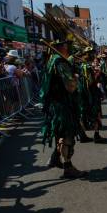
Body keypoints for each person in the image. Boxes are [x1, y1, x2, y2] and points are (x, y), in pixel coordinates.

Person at [40, 40, 87, 179]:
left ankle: (55, 157)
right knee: (67, 135)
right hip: (62, 106)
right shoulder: (60, 62)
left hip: (56, 105)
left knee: (60, 133)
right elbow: (70, 87)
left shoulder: (52, 60)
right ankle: (68, 167)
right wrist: (76, 77)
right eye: (68, 45)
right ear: (64, 47)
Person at [77, 48, 106, 144]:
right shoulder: (87, 67)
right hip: (90, 94)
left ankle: (82, 135)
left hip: (82, 94)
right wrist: (98, 74)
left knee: (82, 113)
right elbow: (89, 82)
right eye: (93, 54)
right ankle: (96, 135)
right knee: (96, 112)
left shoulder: (82, 66)